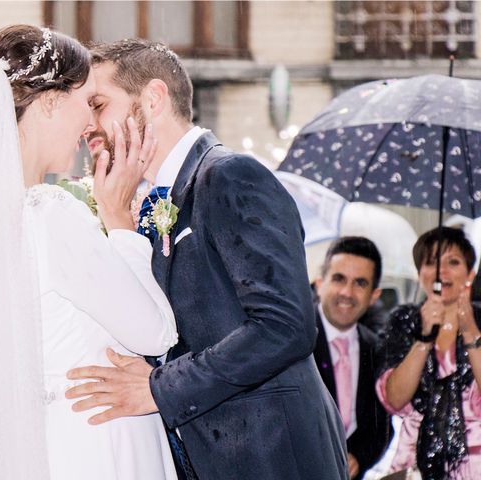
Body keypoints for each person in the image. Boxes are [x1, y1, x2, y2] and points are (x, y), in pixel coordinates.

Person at [66, 39, 348, 479]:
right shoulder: (153, 203)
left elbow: (285, 325)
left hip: (271, 457)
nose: (87, 126)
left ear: (153, 99)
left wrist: (161, 389)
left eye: (98, 104)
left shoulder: (231, 175)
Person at [0, 26, 178, 480]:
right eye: (86, 102)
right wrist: (120, 220)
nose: (90, 124)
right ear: (49, 101)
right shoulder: (49, 213)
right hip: (98, 447)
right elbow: (156, 333)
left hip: (45, 444)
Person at [376, 227, 481, 478]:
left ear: (470, 274)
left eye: (452, 262)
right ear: (419, 273)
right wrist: (424, 338)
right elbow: (395, 398)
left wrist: (469, 331)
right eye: (431, 262)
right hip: (415, 459)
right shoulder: (403, 320)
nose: (441, 271)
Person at [313, 237, 390, 479]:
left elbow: (381, 427)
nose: (347, 292)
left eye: (360, 283)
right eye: (339, 279)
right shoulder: (291, 344)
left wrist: (359, 456)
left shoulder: (377, 350)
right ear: (319, 283)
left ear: (374, 295)